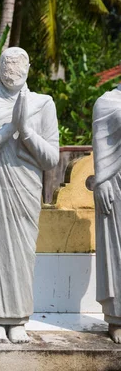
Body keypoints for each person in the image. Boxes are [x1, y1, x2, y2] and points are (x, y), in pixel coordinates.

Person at [0, 47, 59, 343]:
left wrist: (26, 131)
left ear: (28, 69)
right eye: (7, 66)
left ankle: (18, 319)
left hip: (25, 190)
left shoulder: (43, 104)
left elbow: (51, 159)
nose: (12, 72)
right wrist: (8, 131)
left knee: (21, 255)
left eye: (18, 67)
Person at [93, 85, 121, 343]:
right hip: (115, 183)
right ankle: (117, 318)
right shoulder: (107, 102)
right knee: (116, 250)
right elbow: (101, 146)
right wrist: (101, 182)